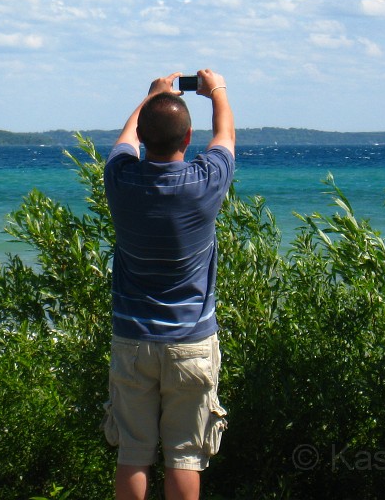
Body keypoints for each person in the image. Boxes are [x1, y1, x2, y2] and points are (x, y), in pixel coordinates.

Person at [101, 69, 235, 500]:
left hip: (133, 340)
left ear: (143, 136)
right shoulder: (204, 183)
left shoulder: (121, 180)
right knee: (184, 456)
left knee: (133, 453)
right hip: (191, 342)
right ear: (188, 137)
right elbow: (226, 135)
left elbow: (124, 142)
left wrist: (152, 96)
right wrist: (216, 89)